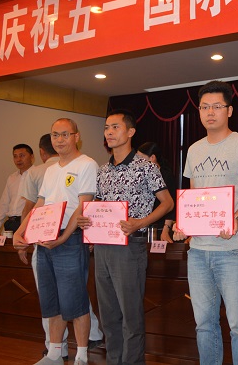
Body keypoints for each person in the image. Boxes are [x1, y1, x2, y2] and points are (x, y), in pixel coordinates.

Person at [175, 80, 238, 365]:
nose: (210, 112)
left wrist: (235, 217)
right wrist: (183, 223)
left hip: (233, 250)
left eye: (216, 106)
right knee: (204, 324)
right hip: (198, 252)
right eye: (204, 107)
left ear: (229, 110)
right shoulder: (194, 149)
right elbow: (193, 196)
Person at [78, 110, 173, 365]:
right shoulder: (102, 170)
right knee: (108, 314)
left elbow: (167, 203)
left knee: (130, 315)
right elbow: (99, 206)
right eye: (106, 128)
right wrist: (87, 221)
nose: (109, 132)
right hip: (102, 246)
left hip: (130, 246)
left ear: (130, 132)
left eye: (115, 127)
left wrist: (140, 222)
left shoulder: (146, 167)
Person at [13, 118, 99, 365]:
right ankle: (54, 354)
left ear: (76, 137)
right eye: (55, 135)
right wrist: (21, 231)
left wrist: (63, 237)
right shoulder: (50, 170)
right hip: (45, 238)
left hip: (70, 239)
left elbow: (83, 205)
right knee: (51, 300)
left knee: (75, 299)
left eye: (65, 134)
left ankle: (81, 355)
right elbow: (40, 204)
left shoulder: (87, 164)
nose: (59, 140)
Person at [137, 141, 178, 242]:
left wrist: (166, 229)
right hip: (143, 226)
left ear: (152, 158)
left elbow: (171, 204)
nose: (138, 162)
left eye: (141, 158)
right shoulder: (139, 175)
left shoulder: (166, 175)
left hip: (159, 228)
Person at [0, 143, 34, 235]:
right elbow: (4, 203)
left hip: (28, 222)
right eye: (15, 156)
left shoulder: (37, 175)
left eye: (22, 156)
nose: (18, 159)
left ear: (31, 157)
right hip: (10, 223)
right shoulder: (12, 178)